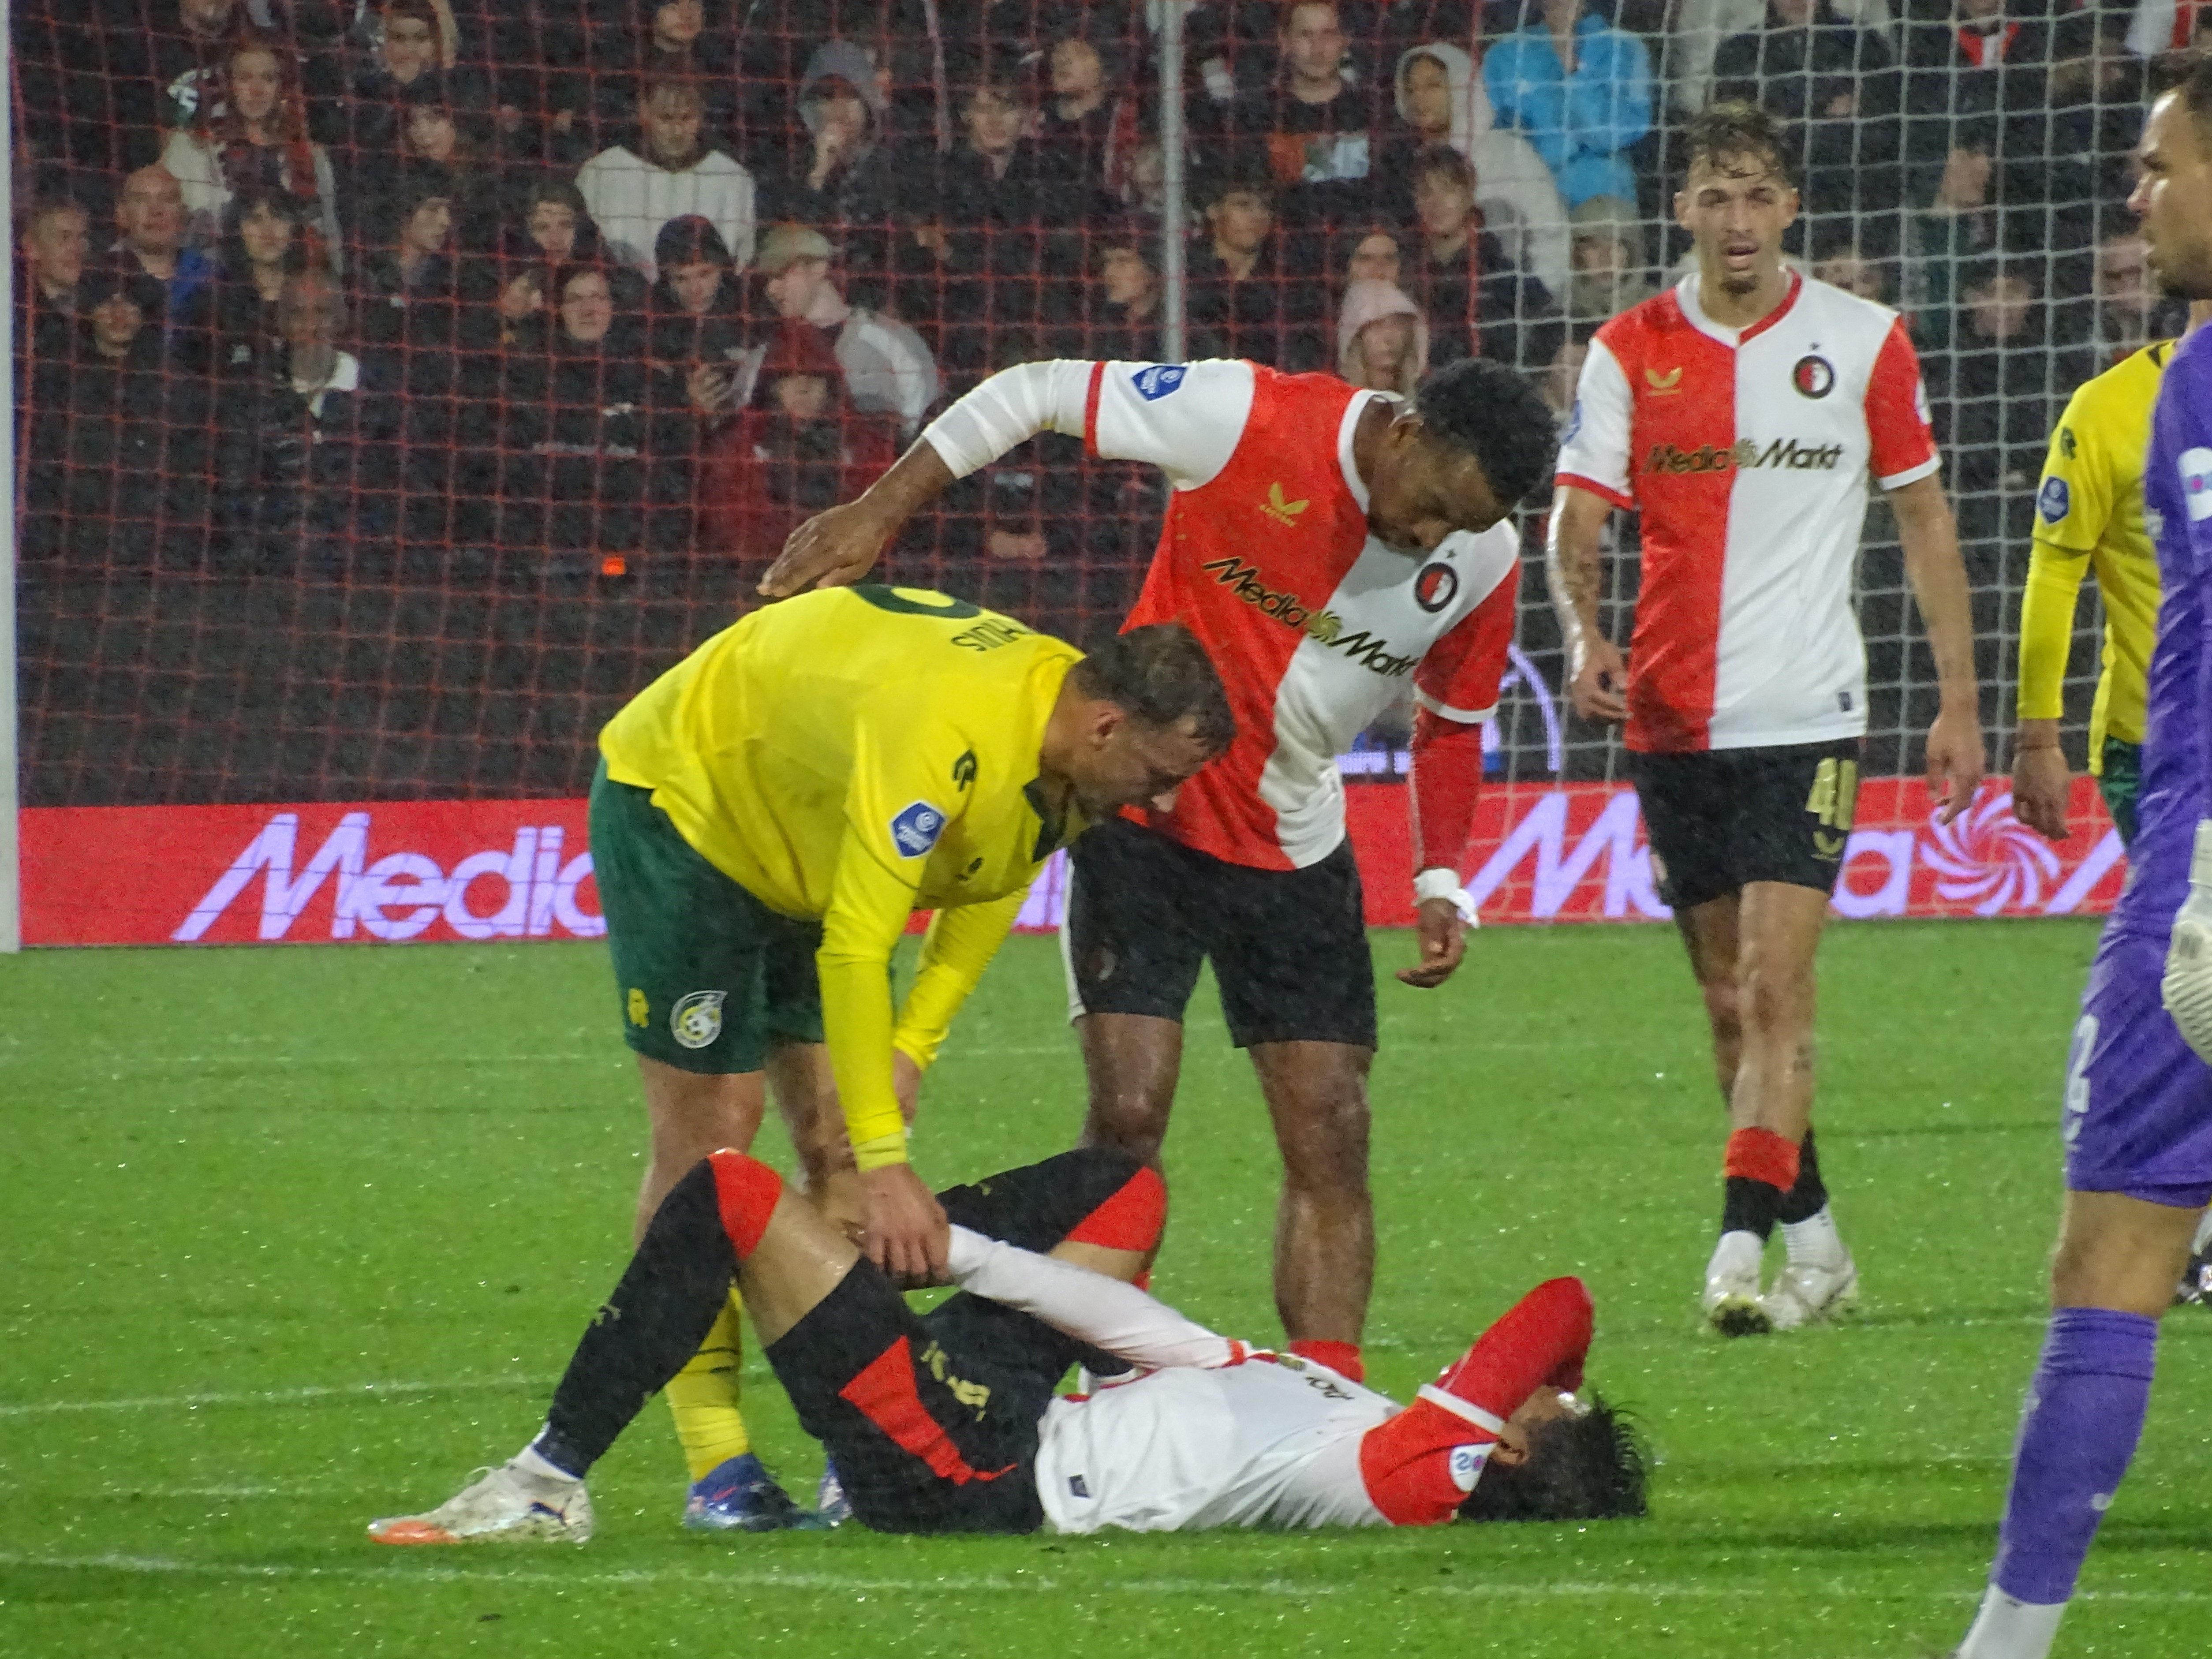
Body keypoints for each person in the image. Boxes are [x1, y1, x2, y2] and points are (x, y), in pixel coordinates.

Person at [759, 351, 1559, 1387]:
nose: (1430, 538)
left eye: (1461, 526)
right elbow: (1034, 392)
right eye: (1434, 507)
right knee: (1128, 1123)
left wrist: (1441, 874)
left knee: (1332, 1129)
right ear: (1405, 433)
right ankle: (1100, 1382)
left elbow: (1451, 719)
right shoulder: (1247, 417)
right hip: (1138, 819)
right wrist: (879, 511)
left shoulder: (1484, 555)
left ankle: (1329, 1399)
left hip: (1294, 845)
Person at [513, 590, 1232, 1531]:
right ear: (1106, 726)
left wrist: (910, 1048)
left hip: (812, 830)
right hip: (693, 809)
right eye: (1157, 773)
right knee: (713, 1143)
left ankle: (853, 1452)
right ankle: (718, 1467)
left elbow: (992, 880)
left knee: (834, 1144)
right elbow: (857, 947)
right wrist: (892, 1163)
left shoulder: (1066, 748)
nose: (1161, 800)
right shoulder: (947, 727)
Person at [1547, 100, 1984, 1337]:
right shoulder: (1626, 350)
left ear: (1789, 207)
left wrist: (1958, 699)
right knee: (1728, 1010)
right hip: (1675, 721)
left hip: (1810, 715)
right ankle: (1819, 1242)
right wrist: (1583, 632)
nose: (1736, 218)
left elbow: (1924, 520)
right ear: (1682, 210)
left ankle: (1736, 1253)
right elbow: (1577, 516)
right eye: (1714, 195)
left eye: (1756, 194)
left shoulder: (1863, 341)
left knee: (1776, 985)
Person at [367, 1146, 1646, 1543]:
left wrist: (1561, 1378)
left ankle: (546, 1482)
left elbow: (1556, 1303)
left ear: (1504, 1454)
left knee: (728, 1194)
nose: (1528, 1391)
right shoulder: (1350, 1421)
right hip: (1014, 1408)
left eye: (1545, 1411)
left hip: (973, 1469)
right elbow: (1143, 1330)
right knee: (1121, 1187)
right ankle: (848, 1327)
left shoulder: (1413, 1477)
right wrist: (958, 1253)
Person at [1954, 67, 2212, 1659]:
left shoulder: (2187, 388)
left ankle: (2008, 1642)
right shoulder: (2159, 387)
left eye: (2161, 167)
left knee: (2114, 1255)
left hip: (2197, 889)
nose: (2138, 198)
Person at [2014, 302, 2212, 856]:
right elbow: (2055, 574)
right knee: (2183, 908)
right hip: (2158, 743)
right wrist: (2038, 738)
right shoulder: (2108, 408)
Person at [1384, 40, 1571, 301]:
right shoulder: (1403, 163)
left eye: (1433, 85)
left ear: (1462, 84)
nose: (1419, 98)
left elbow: (1549, 231)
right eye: (1411, 89)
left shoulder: (1508, 152)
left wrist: (1539, 300)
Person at [160, 34, 344, 269]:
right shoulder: (191, 150)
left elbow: (329, 238)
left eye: (268, 78)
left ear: (282, 87)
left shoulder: (312, 157)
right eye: (245, 78)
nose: (257, 90)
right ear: (229, 85)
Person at [757, 224, 940, 435]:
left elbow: (924, 420)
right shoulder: (769, 353)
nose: (771, 289)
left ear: (819, 268)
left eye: (781, 274)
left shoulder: (886, 339)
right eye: (767, 280)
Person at [575, 78, 757, 283]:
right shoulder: (603, 172)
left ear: (701, 116)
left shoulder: (732, 178)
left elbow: (741, 260)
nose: (677, 131)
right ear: (644, 113)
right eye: (666, 118)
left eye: (687, 118)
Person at [1483, 0, 1653, 210]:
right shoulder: (1504, 54)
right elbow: (1498, 143)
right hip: (1526, 201)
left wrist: (1570, 61)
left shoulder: (1625, 47)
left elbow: (1615, 135)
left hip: (1599, 198)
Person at [1406, 144, 1563, 371]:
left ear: (1469, 194)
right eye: (1426, 192)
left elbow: (1550, 323)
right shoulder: (1408, 271)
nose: (1437, 203)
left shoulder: (1501, 272)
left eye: (1448, 190)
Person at [1337, 277, 1428, 394]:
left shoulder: (1429, 399)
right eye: (1377, 326)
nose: (1389, 338)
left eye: (1397, 325)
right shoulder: (1335, 402)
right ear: (1356, 339)